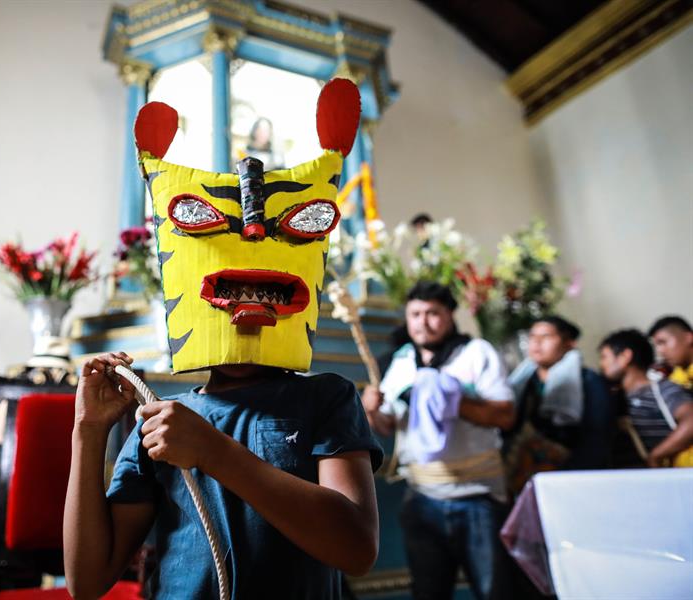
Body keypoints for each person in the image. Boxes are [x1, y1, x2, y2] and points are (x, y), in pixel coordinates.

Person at [64, 78, 383, 599]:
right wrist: (87, 432)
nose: (247, 303)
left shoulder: (326, 397)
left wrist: (214, 452)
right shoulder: (158, 423)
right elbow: (86, 579)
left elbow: (356, 548)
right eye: (232, 285)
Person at [362, 281, 515, 600]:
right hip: (421, 497)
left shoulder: (476, 352)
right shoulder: (401, 360)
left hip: (478, 496)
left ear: (450, 316)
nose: (423, 321)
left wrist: (447, 399)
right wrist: (371, 410)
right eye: (416, 313)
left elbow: (504, 415)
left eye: (433, 313)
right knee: (429, 592)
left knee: (496, 592)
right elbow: (388, 426)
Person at [503, 316, 613, 494]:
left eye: (546, 337)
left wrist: (572, 476)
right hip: (524, 476)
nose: (537, 343)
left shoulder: (589, 381)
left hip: (572, 478)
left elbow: (597, 435)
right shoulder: (521, 382)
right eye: (532, 337)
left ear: (569, 343)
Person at [599, 329, 693, 467]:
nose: (601, 364)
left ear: (625, 356)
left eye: (604, 357)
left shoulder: (663, 389)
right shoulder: (617, 398)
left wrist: (656, 455)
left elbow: (691, 421)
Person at [648, 315, 693, 391]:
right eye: (656, 345)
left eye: (663, 342)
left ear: (688, 338)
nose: (660, 351)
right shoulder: (674, 379)